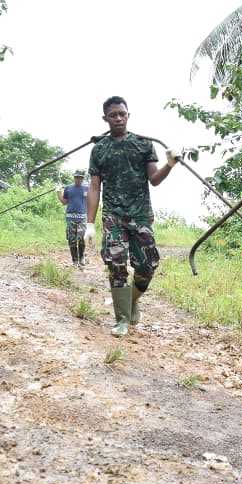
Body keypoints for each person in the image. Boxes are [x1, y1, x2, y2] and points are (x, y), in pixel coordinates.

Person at [86, 96, 179, 337]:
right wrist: (89, 224)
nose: (118, 118)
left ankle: (131, 301)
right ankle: (122, 320)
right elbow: (95, 187)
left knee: (147, 266)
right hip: (113, 216)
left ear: (128, 115)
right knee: (116, 265)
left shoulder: (144, 144)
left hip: (141, 216)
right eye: (113, 114)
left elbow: (154, 180)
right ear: (105, 118)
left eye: (122, 114)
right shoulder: (99, 149)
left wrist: (169, 164)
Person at [58, 170, 89, 268]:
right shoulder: (68, 188)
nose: (78, 179)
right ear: (74, 177)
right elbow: (64, 202)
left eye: (80, 177)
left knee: (82, 238)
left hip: (82, 218)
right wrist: (58, 192)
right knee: (71, 239)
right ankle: (75, 261)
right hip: (70, 217)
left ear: (82, 178)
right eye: (76, 177)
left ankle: (82, 258)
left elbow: (91, 201)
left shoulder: (87, 189)